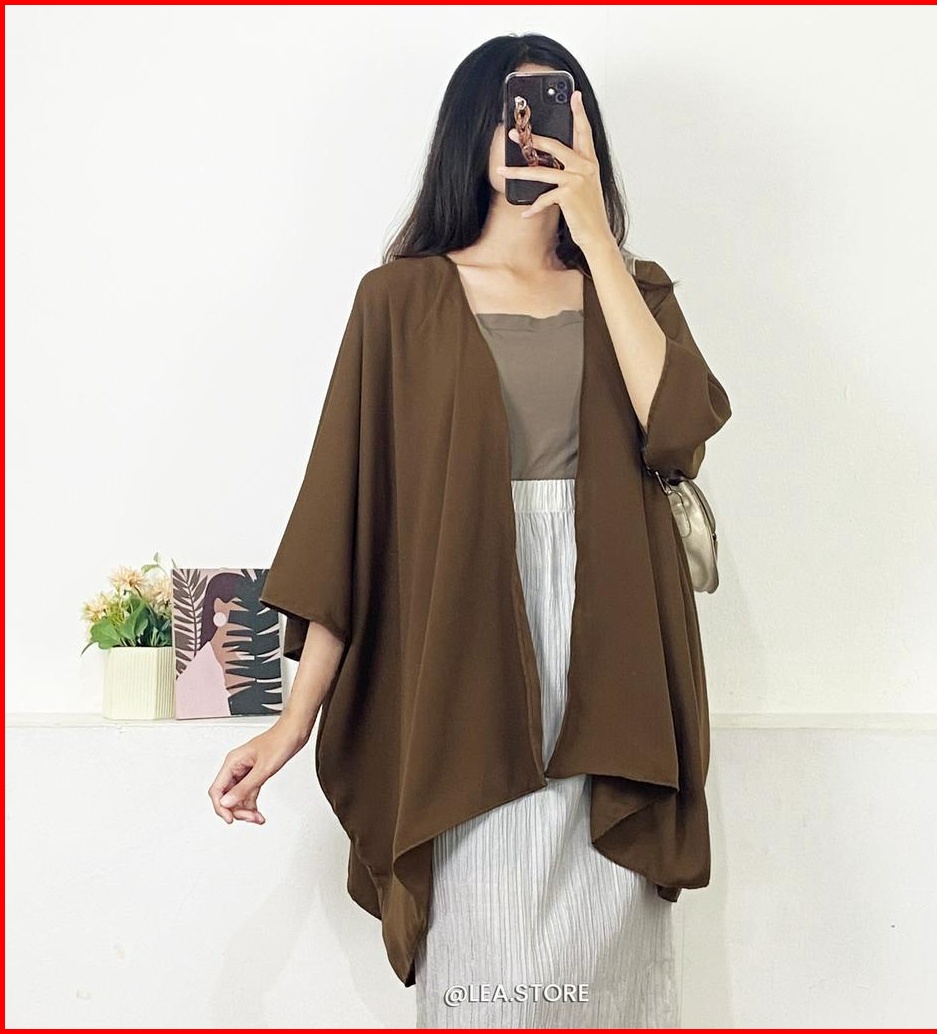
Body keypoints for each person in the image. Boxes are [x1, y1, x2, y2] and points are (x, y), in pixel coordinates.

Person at [208, 32, 732, 1029]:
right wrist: (291, 721)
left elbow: (679, 431)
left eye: (551, 112)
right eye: (507, 112)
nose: (526, 133)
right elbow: (351, 526)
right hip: (459, 649)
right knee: (483, 957)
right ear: (469, 132)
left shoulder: (635, 289)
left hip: (614, 644)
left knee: (609, 965)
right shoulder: (399, 301)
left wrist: (596, 240)